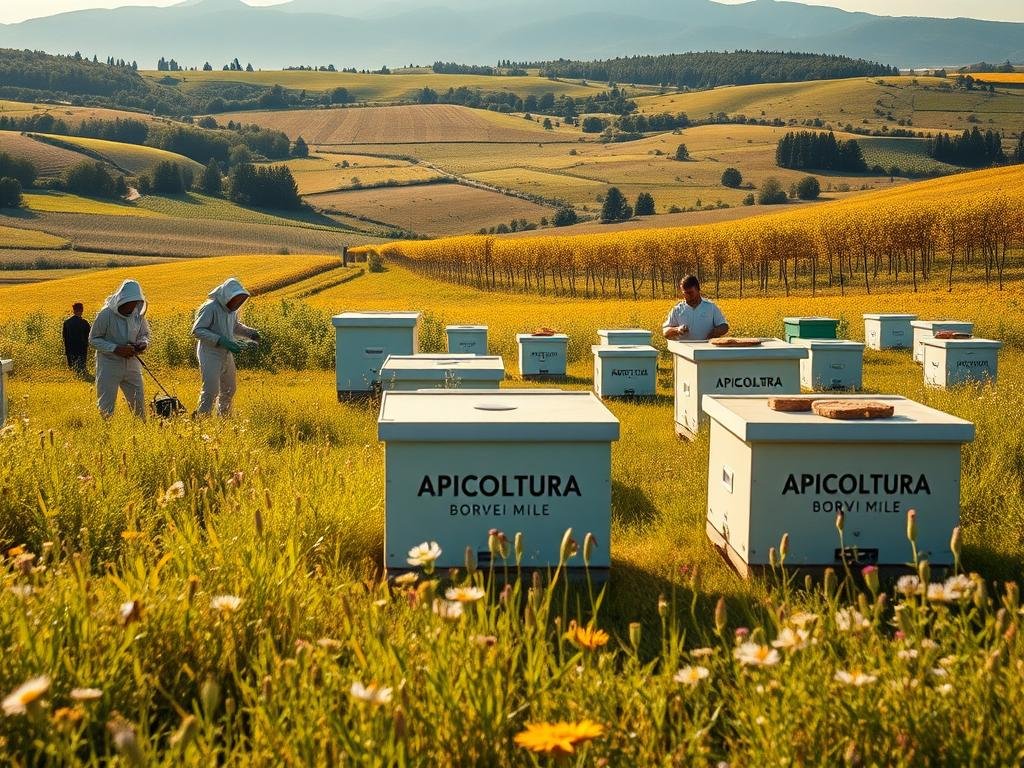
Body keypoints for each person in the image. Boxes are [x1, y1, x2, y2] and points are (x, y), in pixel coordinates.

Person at [191, 277, 260, 417]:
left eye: (240, 299)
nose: (238, 303)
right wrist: (220, 340)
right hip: (210, 353)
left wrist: (250, 333)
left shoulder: (231, 310)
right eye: (236, 299)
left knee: (229, 388)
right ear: (228, 296)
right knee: (211, 389)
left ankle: (224, 420)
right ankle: (202, 422)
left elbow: (235, 326)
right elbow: (197, 330)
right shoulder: (210, 307)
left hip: (226, 352)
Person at [89, 280, 150, 418]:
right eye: (131, 302)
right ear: (122, 300)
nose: (133, 306)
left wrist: (142, 344)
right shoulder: (106, 314)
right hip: (109, 365)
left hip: (133, 364)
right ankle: (106, 434)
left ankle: (140, 432)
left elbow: (144, 334)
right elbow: (93, 339)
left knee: (139, 404)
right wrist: (115, 349)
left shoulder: (137, 314)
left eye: (136, 302)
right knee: (106, 406)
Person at [662, 274, 729, 341]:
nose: (688, 296)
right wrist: (677, 330)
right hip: (684, 350)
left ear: (698, 290)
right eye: (685, 293)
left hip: (707, 349)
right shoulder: (677, 309)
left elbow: (724, 326)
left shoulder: (710, 307)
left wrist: (715, 332)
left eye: (691, 293)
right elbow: (665, 332)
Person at [62, 302, 90, 377]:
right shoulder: (84, 323)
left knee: (74, 368)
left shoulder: (67, 322)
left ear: (73, 310)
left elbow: (64, 337)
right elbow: (89, 336)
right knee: (81, 368)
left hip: (70, 348)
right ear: (82, 310)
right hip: (81, 348)